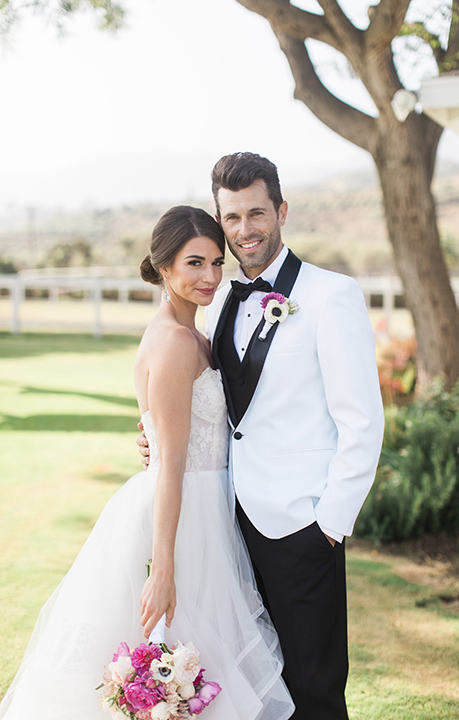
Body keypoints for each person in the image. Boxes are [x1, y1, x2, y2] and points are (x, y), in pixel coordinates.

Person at [0, 205, 295, 720]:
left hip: (204, 506)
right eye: (194, 264)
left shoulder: (196, 334)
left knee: (197, 672)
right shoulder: (175, 343)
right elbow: (172, 464)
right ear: (164, 269)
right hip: (180, 520)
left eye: (215, 263)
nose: (209, 277)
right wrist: (163, 567)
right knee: (172, 662)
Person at [138, 153, 385, 720]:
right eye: (232, 218)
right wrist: (156, 436)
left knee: (313, 691)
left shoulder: (331, 295)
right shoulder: (219, 297)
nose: (244, 229)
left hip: (301, 527)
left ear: (281, 211)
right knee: (246, 690)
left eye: (256, 213)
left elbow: (362, 422)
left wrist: (328, 525)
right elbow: (214, 402)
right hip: (226, 523)